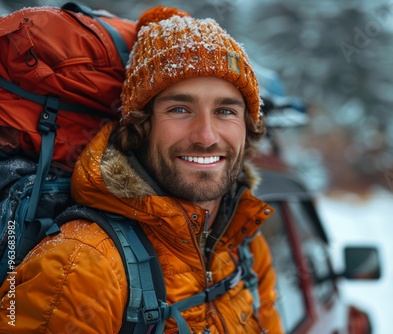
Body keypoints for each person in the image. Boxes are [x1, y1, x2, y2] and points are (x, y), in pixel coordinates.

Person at [0, 6, 284, 334]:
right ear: (141, 126)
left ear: (248, 127)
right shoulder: (79, 268)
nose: (206, 137)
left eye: (225, 111)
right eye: (179, 108)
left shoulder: (243, 243)